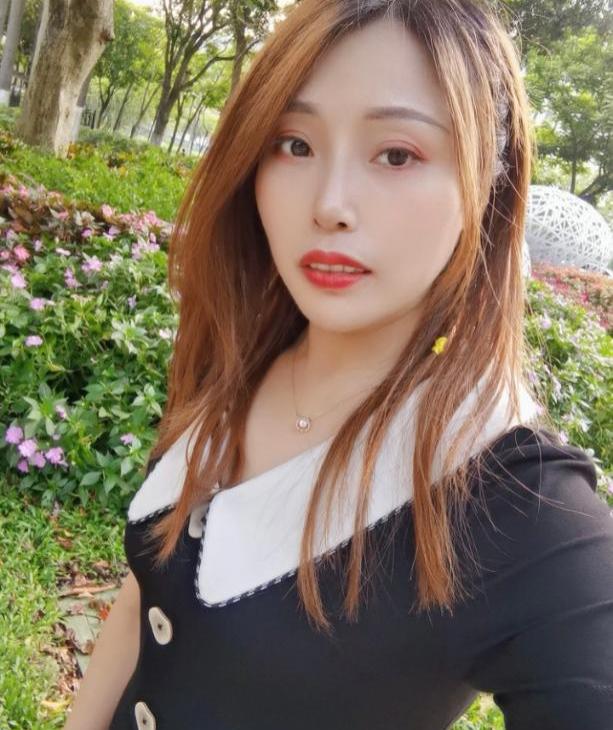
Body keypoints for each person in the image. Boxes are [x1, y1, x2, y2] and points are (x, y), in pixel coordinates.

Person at [63, 1, 613, 728]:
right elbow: (145, 596)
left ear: (485, 181)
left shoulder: (513, 501)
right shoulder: (243, 352)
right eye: (294, 144)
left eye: (396, 155)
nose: (329, 205)